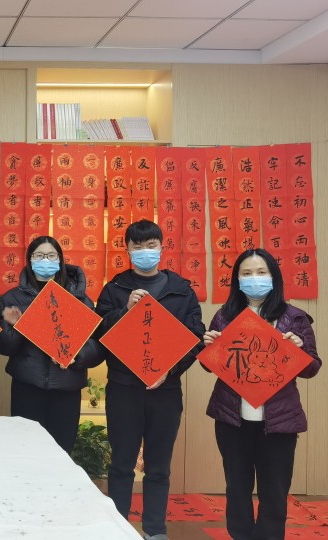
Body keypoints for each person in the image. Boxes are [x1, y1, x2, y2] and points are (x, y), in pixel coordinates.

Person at [95, 219, 204, 540]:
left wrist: (170, 370)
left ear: (162, 247)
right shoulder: (115, 289)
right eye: (138, 246)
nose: (145, 251)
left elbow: (196, 337)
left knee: (158, 466)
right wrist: (124, 311)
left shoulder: (181, 290)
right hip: (124, 389)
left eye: (151, 245)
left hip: (165, 390)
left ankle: (156, 530)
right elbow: (99, 332)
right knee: (121, 463)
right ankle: (118, 529)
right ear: (128, 250)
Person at [202, 249, 321, 540]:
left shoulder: (294, 318)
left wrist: (299, 351)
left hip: (279, 422)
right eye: (246, 273)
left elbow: (312, 368)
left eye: (261, 272)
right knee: (237, 488)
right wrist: (209, 347)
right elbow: (210, 365)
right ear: (237, 279)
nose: (254, 278)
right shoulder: (225, 316)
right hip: (232, 419)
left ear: (273, 277)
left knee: (275, 492)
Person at [0, 236, 104, 453]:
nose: (45, 260)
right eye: (39, 255)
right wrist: (18, 326)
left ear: (60, 260)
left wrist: (77, 355)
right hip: (28, 386)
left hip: (67, 387)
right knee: (26, 450)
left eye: (51, 255)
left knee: (62, 451)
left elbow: (97, 344)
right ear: (30, 260)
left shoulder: (80, 299)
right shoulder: (13, 298)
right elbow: (4, 348)